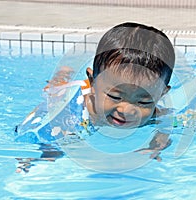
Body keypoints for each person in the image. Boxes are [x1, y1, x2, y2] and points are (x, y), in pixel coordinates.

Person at [15, 22, 175, 172]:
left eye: (143, 101)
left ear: (161, 94)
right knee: (55, 90)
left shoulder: (153, 112)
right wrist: (43, 158)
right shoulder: (71, 117)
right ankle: (64, 72)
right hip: (66, 97)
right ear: (93, 82)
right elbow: (44, 142)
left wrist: (156, 145)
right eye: (115, 97)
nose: (126, 110)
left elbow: (166, 119)